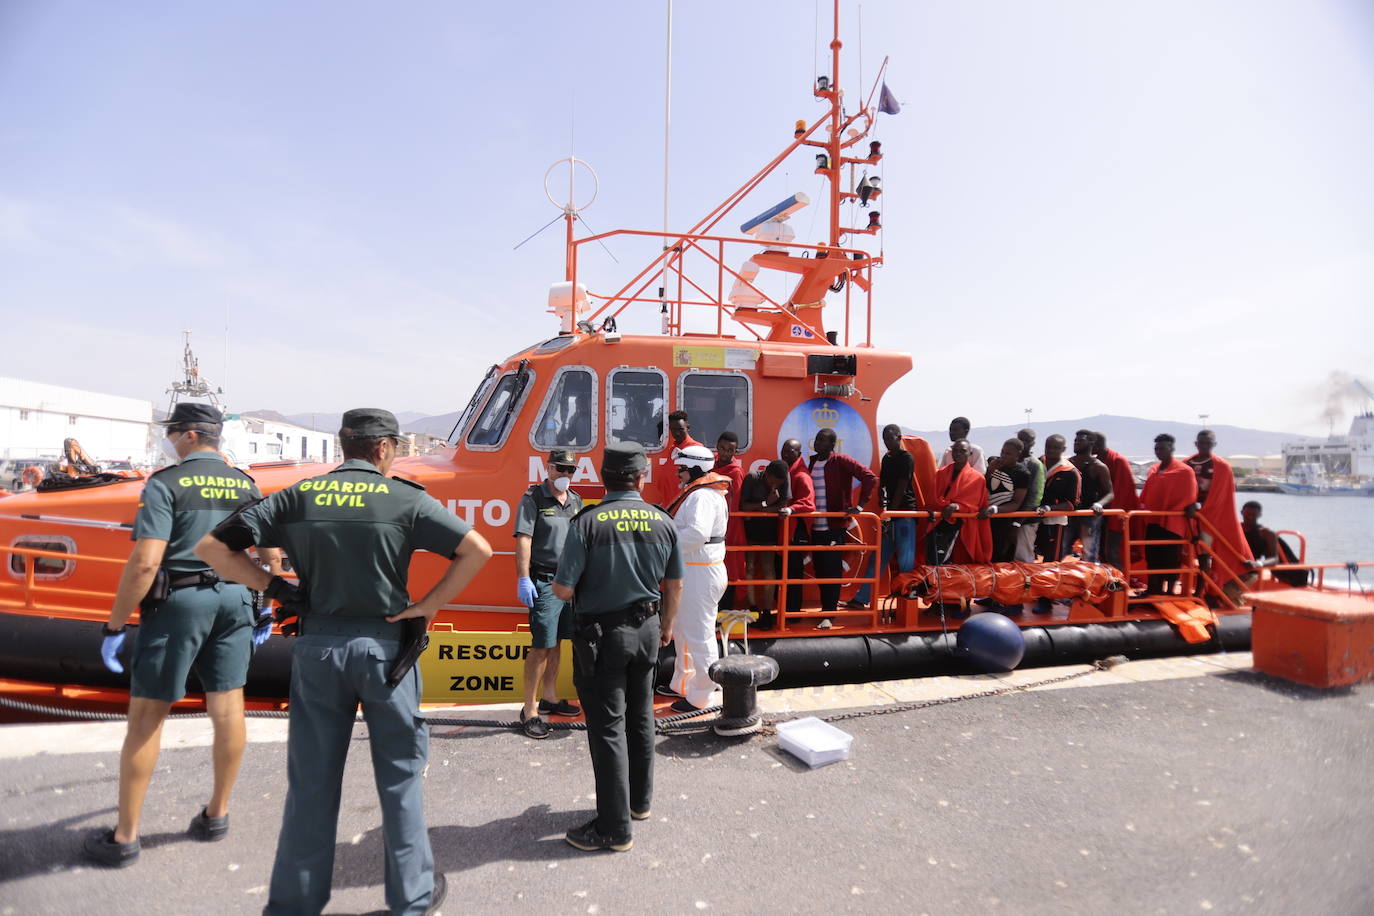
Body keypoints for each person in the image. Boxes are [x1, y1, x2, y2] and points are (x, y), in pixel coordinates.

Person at [196, 408, 492, 916]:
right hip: (385, 652)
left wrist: (274, 588)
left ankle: (294, 903)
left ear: (345, 444)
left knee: (311, 781)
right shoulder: (406, 498)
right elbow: (477, 550)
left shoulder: (298, 496)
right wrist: (428, 604)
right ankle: (412, 899)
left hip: (318, 650)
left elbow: (213, 547)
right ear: (383, 449)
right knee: (399, 778)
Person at [84, 403, 280, 869]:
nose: (169, 440)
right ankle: (217, 815)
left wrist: (114, 625)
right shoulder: (245, 483)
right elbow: (270, 549)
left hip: (179, 604)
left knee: (148, 716)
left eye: (172, 433)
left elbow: (147, 562)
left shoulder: (165, 484)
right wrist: (267, 607)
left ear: (190, 436)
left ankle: (125, 837)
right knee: (228, 707)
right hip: (236, 602)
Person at [552, 442, 683, 852]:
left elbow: (562, 588)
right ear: (640, 477)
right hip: (647, 630)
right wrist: (665, 627)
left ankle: (613, 828)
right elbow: (674, 584)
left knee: (607, 727)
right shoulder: (663, 521)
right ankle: (639, 804)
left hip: (602, 638)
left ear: (604, 477)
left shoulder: (587, 522)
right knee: (641, 717)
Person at [513, 449, 584, 739]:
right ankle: (529, 709)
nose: (565, 475)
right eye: (560, 469)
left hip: (570, 583)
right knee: (542, 645)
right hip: (544, 581)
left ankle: (550, 698)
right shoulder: (533, 499)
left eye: (571, 470)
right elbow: (524, 540)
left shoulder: (576, 501)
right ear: (549, 468)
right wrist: (523, 579)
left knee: (558, 642)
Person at [662, 444, 730, 711]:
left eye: (681, 469)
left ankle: (701, 694)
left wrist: (664, 544)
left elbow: (697, 534)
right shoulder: (704, 494)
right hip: (696, 569)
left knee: (699, 634)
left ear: (694, 469)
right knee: (682, 629)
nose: (678, 474)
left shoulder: (701, 496)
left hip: (700, 571)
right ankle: (682, 683)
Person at [807, 428, 878, 628]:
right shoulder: (812, 462)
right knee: (820, 570)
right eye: (817, 439)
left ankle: (829, 615)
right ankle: (825, 610)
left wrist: (860, 505)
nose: (818, 443)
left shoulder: (841, 461)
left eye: (822, 440)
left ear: (832, 445)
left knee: (831, 571)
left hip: (834, 526)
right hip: (816, 527)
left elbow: (869, 477)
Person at [850, 424, 918, 608]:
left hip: (904, 515)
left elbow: (903, 486)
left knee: (905, 560)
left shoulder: (906, 458)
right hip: (889, 516)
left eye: (890, 438)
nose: (887, 441)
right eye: (885, 438)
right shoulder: (887, 458)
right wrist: (882, 499)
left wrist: (891, 512)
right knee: (878, 558)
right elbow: (884, 484)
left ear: (899, 437)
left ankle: (907, 602)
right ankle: (862, 598)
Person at [1185, 429, 1253, 602]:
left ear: (1214, 445)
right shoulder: (1187, 464)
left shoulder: (1221, 467)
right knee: (1184, 553)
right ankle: (1187, 588)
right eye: (1201, 443)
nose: (1204, 446)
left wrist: (1200, 508)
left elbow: (1222, 497)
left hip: (1209, 518)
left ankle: (1201, 592)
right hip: (1187, 517)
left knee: (1204, 555)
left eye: (1208, 443)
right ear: (1196, 444)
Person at [1136, 433, 1199, 596]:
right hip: (1153, 521)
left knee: (1170, 558)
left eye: (1162, 448)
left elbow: (1189, 497)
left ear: (1172, 448)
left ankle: (1169, 592)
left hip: (1173, 523)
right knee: (1152, 556)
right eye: (1156, 448)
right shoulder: (1154, 470)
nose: (1159, 451)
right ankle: (1153, 589)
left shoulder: (1185, 471)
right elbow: (1147, 494)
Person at [737, 459, 791, 627]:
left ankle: (767, 612)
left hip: (770, 532)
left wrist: (760, 510)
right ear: (766, 473)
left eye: (778, 483)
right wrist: (766, 503)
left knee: (769, 570)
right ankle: (753, 609)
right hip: (750, 531)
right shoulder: (752, 478)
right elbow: (744, 507)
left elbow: (783, 506)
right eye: (772, 481)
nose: (774, 485)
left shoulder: (784, 478)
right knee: (750, 567)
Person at [925, 439, 990, 566]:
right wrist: (947, 505)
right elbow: (932, 498)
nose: (958, 454)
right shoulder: (941, 473)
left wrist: (956, 506)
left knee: (944, 559)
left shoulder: (977, 478)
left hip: (960, 525)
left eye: (962, 451)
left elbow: (974, 504)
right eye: (955, 451)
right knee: (931, 558)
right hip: (937, 522)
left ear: (969, 453)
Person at [780, 438, 816, 617]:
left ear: (799, 454)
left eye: (790, 451)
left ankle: (793, 613)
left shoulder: (801, 475)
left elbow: (809, 504)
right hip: (785, 533)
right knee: (785, 573)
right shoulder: (787, 471)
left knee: (793, 575)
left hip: (794, 534)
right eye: (784, 450)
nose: (785, 454)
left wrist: (790, 509)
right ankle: (785, 611)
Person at [980, 438, 1032, 563]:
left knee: (1000, 556)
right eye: (1002, 452)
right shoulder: (995, 465)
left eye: (1008, 454)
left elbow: (1016, 502)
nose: (1003, 456)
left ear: (1018, 454)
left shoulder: (1022, 473)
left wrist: (995, 509)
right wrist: (989, 471)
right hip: (986, 518)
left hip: (1004, 521)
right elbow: (981, 486)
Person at [1093, 431, 1138, 569]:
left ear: (1097, 445)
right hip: (1101, 514)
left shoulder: (1118, 460)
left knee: (1112, 552)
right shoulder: (1096, 460)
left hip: (1115, 515)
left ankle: (1119, 585)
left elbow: (1123, 492)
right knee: (1101, 552)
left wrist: (1113, 516)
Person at [1067, 429, 1113, 562]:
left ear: (1091, 443)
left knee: (1089, 553)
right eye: (1075, 440)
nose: (1076, 443)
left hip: (1089, 516)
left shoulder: (1099, 467)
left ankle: (1091, 580)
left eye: (1080, 440)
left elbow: (1110, 493)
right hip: (1069, 514)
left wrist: (1099, 504)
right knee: (1062, 551)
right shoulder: (1068, 463)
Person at [713, 431, 746, 612]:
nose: (726, 453)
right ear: (717, 447)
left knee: (729, 569)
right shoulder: (710, 466)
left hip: (729, 527)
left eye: (730, 450)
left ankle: (725, 611)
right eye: (723, 449)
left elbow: (735, 504)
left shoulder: (736, 472)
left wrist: (728, 530)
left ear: (735, 452)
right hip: (712, 525)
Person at [652, 410, 704, 507]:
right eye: (673, 429)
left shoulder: (696, 450)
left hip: (684, 507)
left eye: (680, 429)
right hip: (670, 506)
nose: (677, 433)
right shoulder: (673, 449)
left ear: (687, 427)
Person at [1013, 428, 1045, 562]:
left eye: (1027, 440)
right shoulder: (1009, 461)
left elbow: (1035, 496)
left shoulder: (1035, 465)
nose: (1023, 443)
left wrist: (1019, 521)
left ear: (1033, 443)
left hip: (1026, 520)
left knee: (1023, 556)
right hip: (1007, 516)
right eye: (1020, 439)